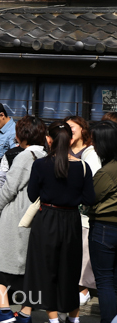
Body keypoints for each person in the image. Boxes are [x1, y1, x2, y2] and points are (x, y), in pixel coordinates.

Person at [24, 121, 95, 323]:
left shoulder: (40, 164)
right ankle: (73, 317)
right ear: (71, 139)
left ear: (49, 140)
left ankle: (53, 318)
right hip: (71, 220)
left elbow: (32, 195)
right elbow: (90, 199)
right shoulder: (82, 166)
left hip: (47, 218)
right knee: (70, 271)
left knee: (45, 270)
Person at [0, 116, 48, 323]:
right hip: (37, 216)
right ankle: (25, 313)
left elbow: (8, 190)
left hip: (17, 214)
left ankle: (5, 312)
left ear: (22, 135)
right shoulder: (47, 154)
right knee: (28, 269)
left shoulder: (25, 156)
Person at [65, 115, 102, 307]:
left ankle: (83, 290)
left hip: (82, 211)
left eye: (73, 127)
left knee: (82, 252)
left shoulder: (90, 152)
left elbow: (94, 180)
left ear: (83, 129)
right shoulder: (64, 150)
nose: (70, 130)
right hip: (66, 211)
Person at [90, 120, 117, 323]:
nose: (93, 146)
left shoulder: (107, 171)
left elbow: (91, 197)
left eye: (95, 141)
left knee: (105, 281)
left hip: (105, 227)